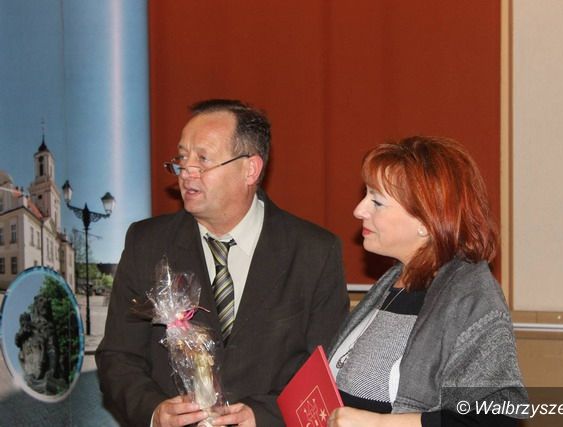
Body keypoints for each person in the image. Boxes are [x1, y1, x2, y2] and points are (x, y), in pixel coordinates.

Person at [96, 99, 349, 427]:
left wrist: (264, 416)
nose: (186, 172)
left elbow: (328, 370)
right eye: (182, 158)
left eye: (202, 159)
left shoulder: (313, 252)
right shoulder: (147, 244)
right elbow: (118, 357)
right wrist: (154, 412)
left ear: (250, 169)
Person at [327, 136, 528, 426]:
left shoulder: (470, 296)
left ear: (425, 221)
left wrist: (379, 424)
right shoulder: (394, 280)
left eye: (377, 201)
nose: (359, 210)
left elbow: (495, 417)